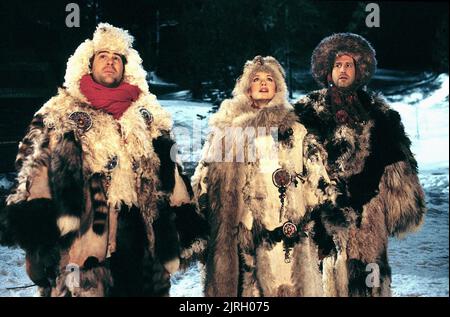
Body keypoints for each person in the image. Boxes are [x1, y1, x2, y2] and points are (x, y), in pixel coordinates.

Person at [0, 23, 207, 297]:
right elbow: (34, 170)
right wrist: (38, 231)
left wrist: (184, 221)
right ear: (88, 64)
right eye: (103, 57)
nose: (110, 63)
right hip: (83, 242)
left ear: (125, 67)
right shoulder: (60, 111)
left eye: (116, 59)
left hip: (140, 240)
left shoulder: (148, 115)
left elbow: (172, 172)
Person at [192, 56, 339, 296]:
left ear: (278, 87)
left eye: (269, 79)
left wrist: (322, 222)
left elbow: (317, 177)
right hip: (238, 230)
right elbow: (204, 177)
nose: (263, 83)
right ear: (247, 87)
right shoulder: (226, 129)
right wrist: (203, 217)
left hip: (283, 230)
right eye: (256, 79)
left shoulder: (294, 130)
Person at [293, 33, 427, 296]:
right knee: (320, 282)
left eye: (349, 65)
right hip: (320, 217)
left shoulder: (380, 115)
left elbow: (399, 164)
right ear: (327, 70)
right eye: (338, 65)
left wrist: (395, 202)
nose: (343, 71)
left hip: (367, 215)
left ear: (360, 70)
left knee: (365, 282)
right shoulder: (305, 113)